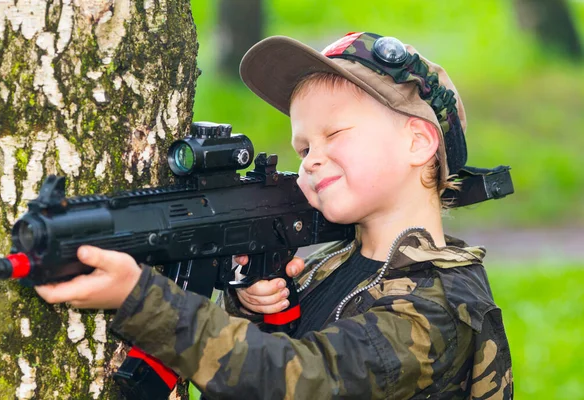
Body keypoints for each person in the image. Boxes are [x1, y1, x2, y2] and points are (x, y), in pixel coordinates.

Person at [35, 32, 513, 399]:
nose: (310, 159)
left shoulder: (445, 303)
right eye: (304, 147)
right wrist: (256, 315)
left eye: (335, 134)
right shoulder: (332, 267)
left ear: (418, 142)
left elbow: (307, 379)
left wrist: (145, 303)